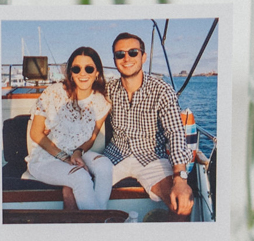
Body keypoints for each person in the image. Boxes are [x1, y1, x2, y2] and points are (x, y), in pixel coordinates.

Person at [105, 32, 194, 218]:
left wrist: (180, 178)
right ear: (114, 59)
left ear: (143, 57)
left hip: (152, 157)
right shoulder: (108, 89)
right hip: (114, 155)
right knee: (74, 190)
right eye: (120, 54)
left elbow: (175, 133)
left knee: (181, 205)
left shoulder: (162, 90)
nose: (126, 58)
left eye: (133, 52)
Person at [26, 46, 114, 211]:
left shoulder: (102, 102)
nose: (82, 73)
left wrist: (78, 152)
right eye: (76, 68)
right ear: (70, 73)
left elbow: (92, 137)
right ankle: (98, 224)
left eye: (89, 68)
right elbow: (36, 133)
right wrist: (66, 158)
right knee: (80, 176)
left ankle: (98, 218)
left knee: (105, 166)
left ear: (97, 73)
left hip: (77, 154)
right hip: (46, 158)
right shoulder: (53, 93)